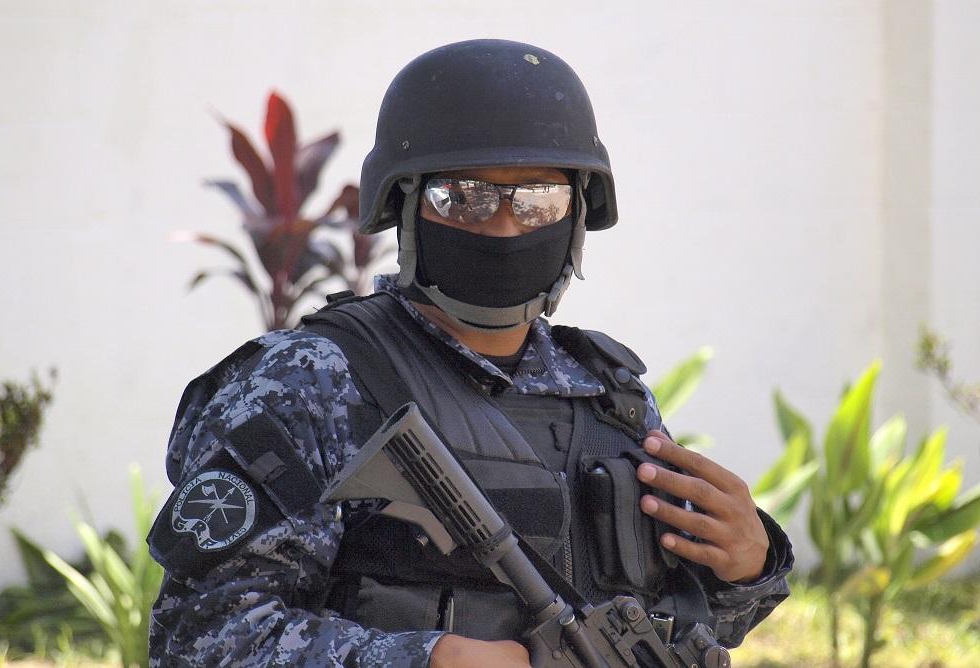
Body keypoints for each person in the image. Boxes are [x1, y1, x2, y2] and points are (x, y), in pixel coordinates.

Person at [147, 39, 792, 667]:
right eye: (462, 197)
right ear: (405, 208)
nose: (505, 224)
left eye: (538, 198)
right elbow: (200, 639)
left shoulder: (612, 402)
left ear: (575, 216)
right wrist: (424, 659)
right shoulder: (310, 381)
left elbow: (677, 625)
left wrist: (748, 569)